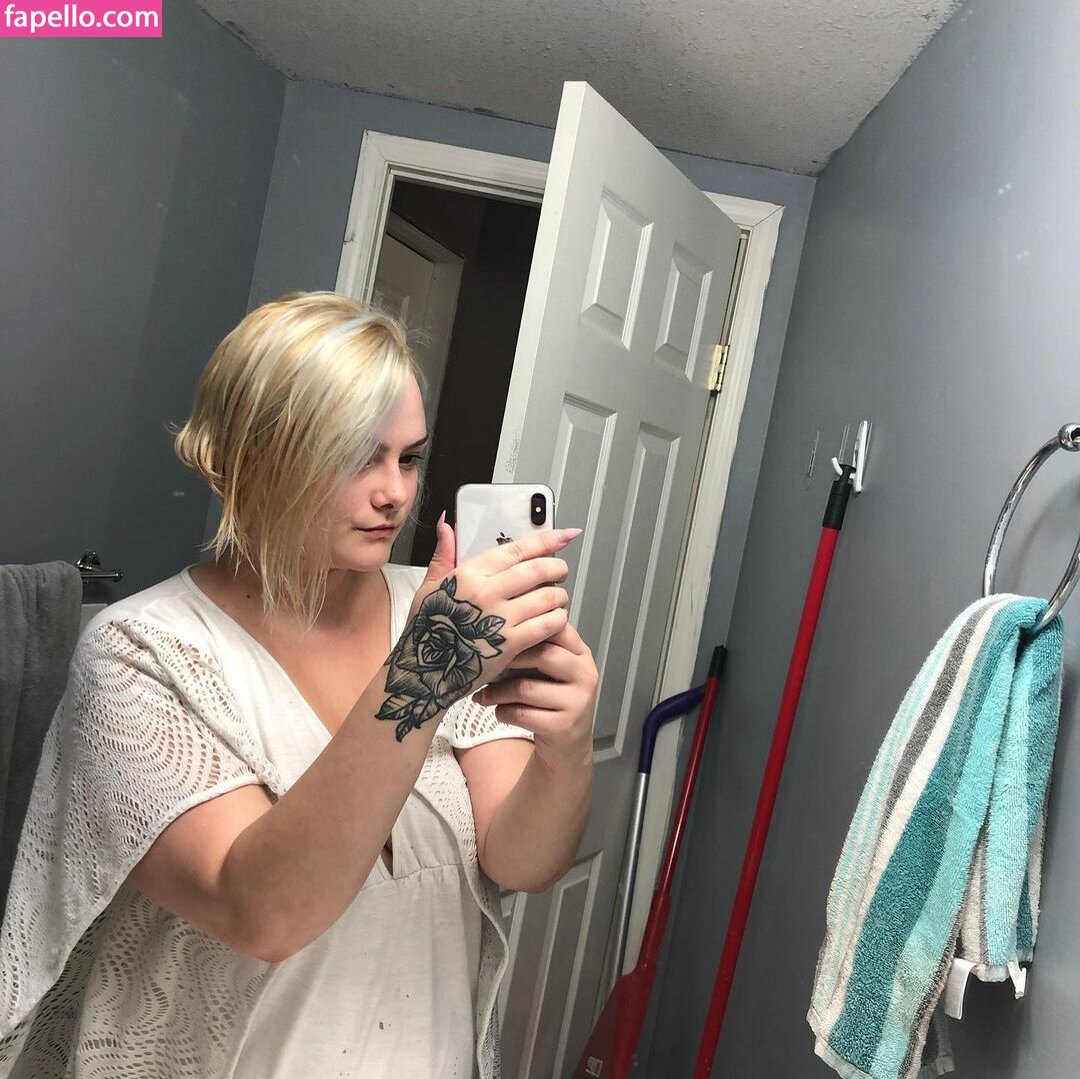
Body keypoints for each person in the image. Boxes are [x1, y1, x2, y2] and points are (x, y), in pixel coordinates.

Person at [0, 292, 598, 1079]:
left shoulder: (438, 610)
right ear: (254, 455)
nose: (395, 492)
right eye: (357, 456)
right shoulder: (140, 651)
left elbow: (522, 861)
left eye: (409, 457)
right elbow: (263, 910)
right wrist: (424, 674)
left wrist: (566, 748)